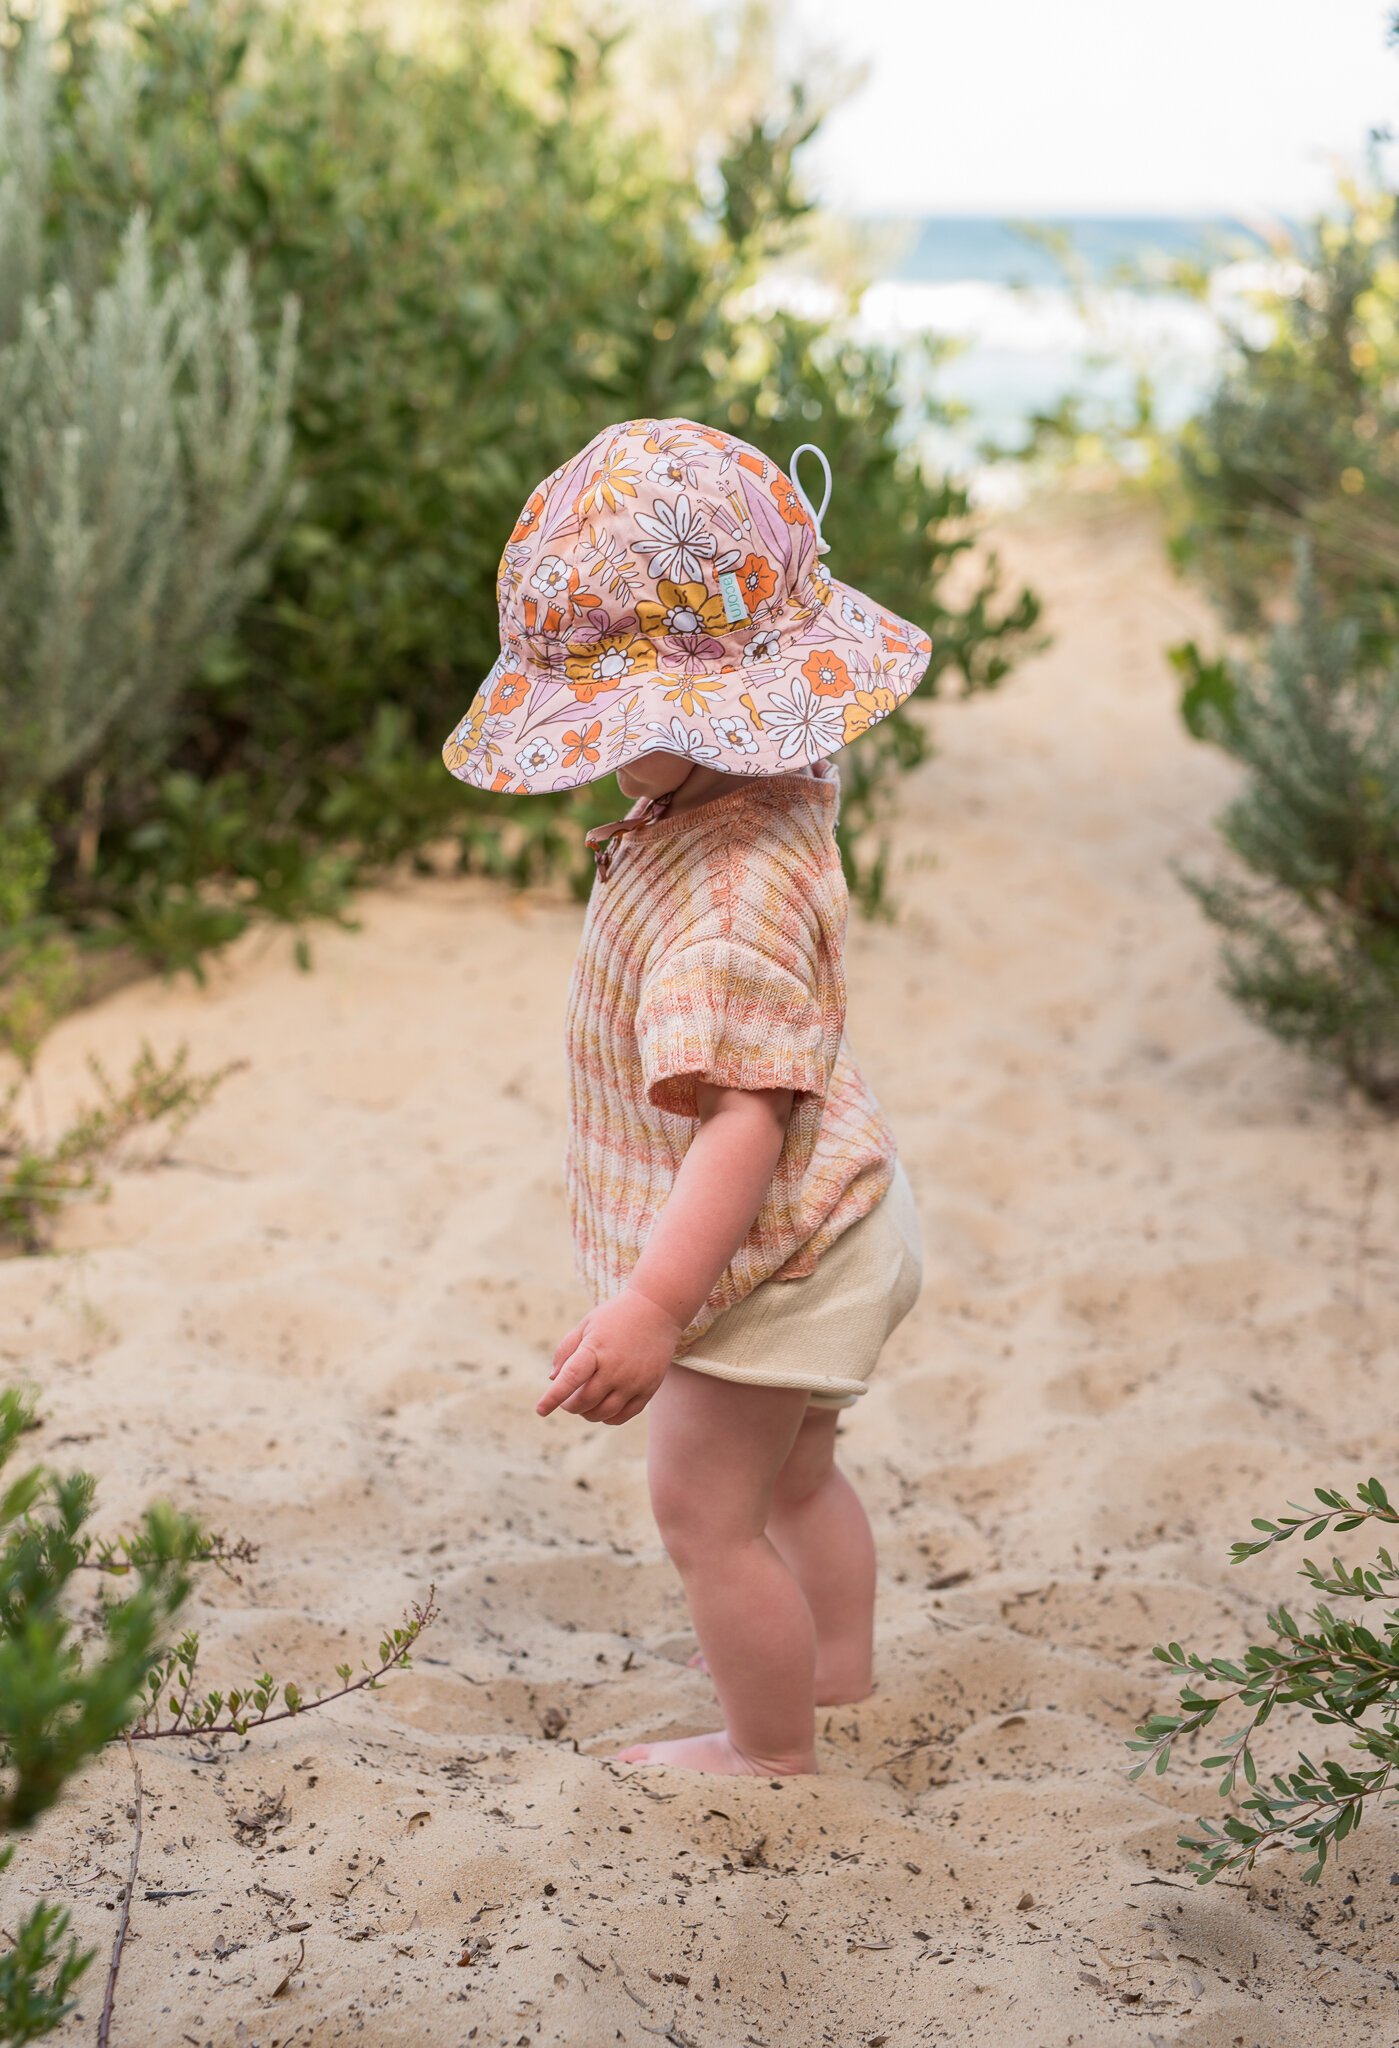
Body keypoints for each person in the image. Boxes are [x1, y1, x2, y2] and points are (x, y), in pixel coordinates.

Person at [443, 417, 930, 1775]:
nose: (600, 757)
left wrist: (654, 1308)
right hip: (846, 1213)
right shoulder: (774, 781)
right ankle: (832, 1669)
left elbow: (743, 1120)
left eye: (616, 724)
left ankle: (769, 1752)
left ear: (688, 720)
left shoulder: (722, 902)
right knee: (798, 1475)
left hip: (765, 1255)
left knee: (707, 1516)